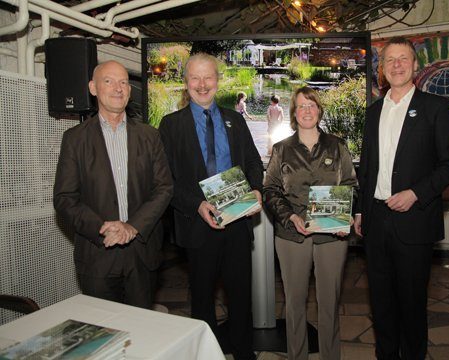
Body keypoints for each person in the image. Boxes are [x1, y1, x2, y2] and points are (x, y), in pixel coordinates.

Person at [354, 37, 449, 359]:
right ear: (381, 70)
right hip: (375, 219)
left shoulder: (435, 108)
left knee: (412, 302)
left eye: (403, 59)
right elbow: (367, 168)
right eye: (390, 60)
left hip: (414, 219)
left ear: (415, 66)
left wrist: (416, 193)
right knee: (382, 301)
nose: (397, 65)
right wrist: (360, 211)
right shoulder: (373, 113)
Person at [158, 53, 264, 360]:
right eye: (195, 78)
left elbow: (254, 163)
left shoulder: (236, 120)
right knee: (202, 299)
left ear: (217, 81)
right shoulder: (170, 126)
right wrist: (197, 205)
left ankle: (245, 353)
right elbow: (166, 181)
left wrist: (256, 189)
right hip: (197, 226)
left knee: (241, 297)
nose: (202, 85)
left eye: (208, 78)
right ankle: (206, 355)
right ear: (185, 82)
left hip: (238, 223)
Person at [53, 60, 174, 309]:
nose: (118, 88)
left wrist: (132, 227)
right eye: (108, 81)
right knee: (102, 334)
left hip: (142, 253)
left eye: (123, 83)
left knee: (142, 332)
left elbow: (164, 188)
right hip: (97, 256)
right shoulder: (75, 139)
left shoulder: (150, 136)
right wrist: (102, 228)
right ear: (93, 88)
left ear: (129, 92)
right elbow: (65, 198)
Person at [264, 86, 357, 360]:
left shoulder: (337, 145)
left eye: (311, 105)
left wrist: (345, 215)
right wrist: (289, 216)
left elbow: (351, 184)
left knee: (329, 303)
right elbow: (270, 189)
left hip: (331, 236)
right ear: (294, 113)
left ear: (319, 110)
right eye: (301, 106)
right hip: (291, 235)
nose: (306, 110)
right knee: (294, 304)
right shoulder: (282, 149)